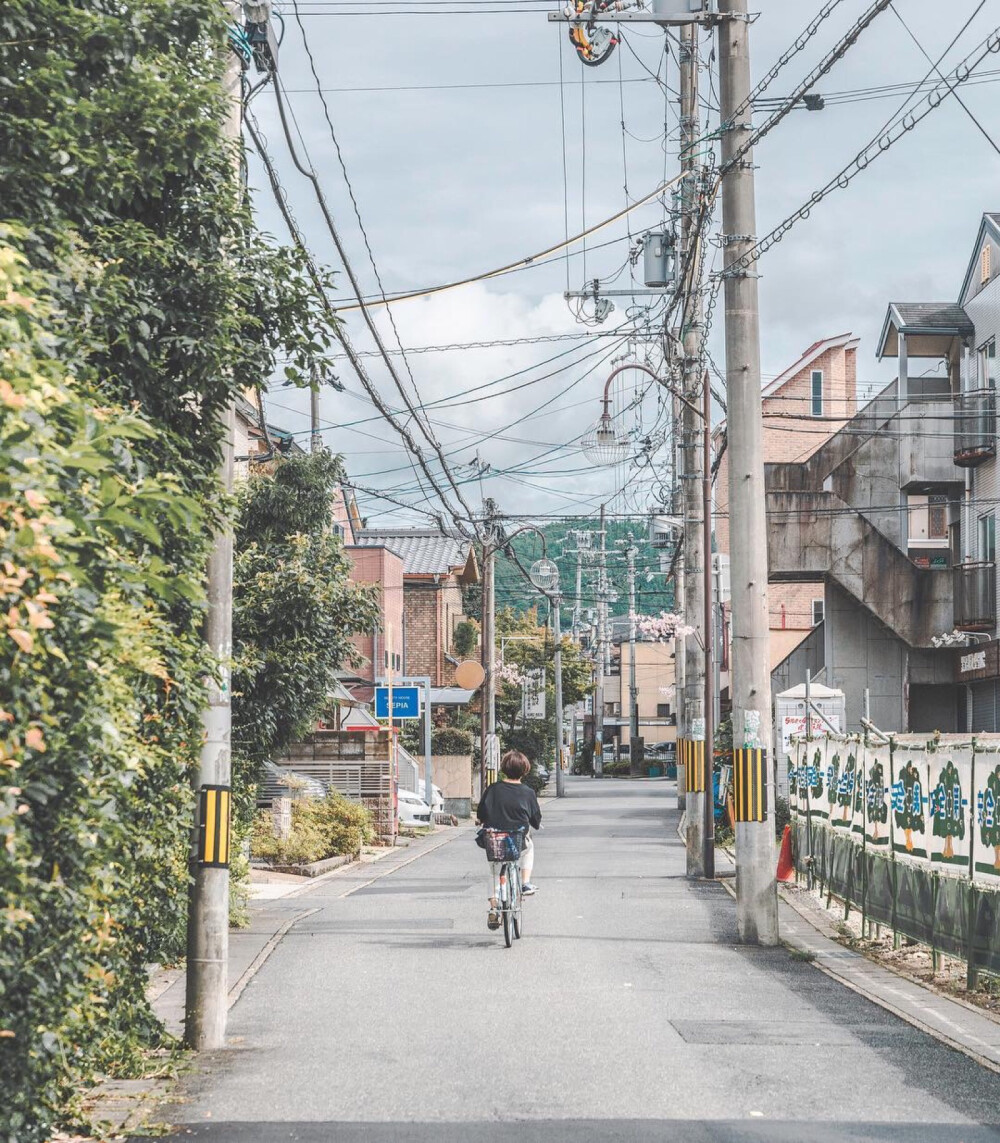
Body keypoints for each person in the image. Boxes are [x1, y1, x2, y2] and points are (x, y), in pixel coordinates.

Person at [476, 749, 542, 930]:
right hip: (517, 838)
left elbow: (481, 812)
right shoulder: (528, 792)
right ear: (525, 770)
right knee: (529, 848)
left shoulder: (493, 789)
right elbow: (535, 818)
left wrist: (481, 820)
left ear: (504, 768)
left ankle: (493, 907)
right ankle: (526, 883)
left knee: (494, 871)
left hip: (494, 839)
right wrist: (534, 823)